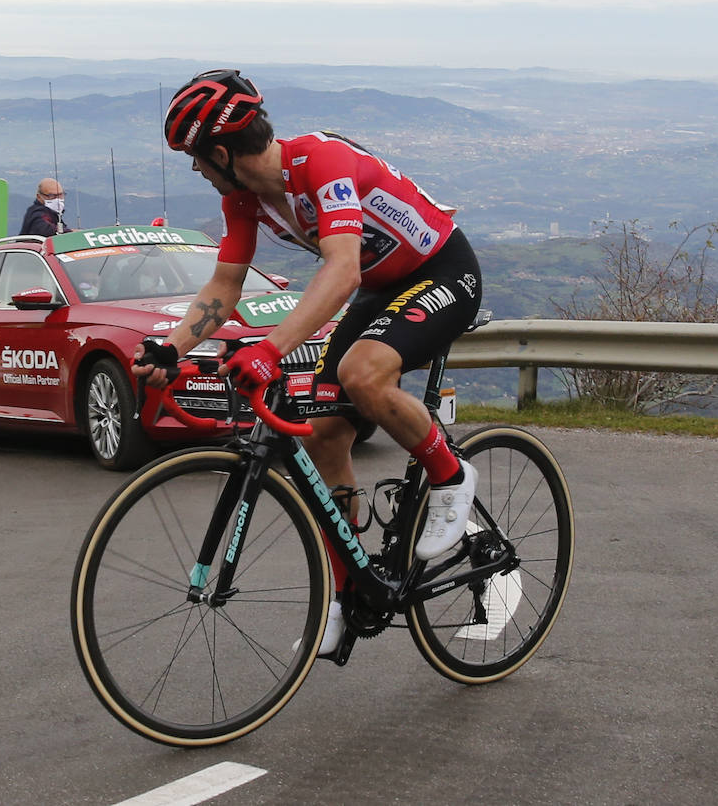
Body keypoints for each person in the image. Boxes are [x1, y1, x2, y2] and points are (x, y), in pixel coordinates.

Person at [135, 69, 483, 656]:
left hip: (443, 270)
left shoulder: (320, 162)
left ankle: (452, 477)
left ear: (221, 152)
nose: (196, 170)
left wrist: (269, 351)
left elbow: (342, 269)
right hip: (384, 288)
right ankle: (349, 595)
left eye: (195, 158)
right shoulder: (241, 198)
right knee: (323, 435)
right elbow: (225, 286)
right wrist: (171, 348)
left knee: (361, 373)